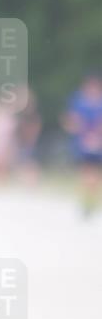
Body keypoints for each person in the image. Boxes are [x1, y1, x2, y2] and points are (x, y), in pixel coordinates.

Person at [62, 72, 102, 216]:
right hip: (82, 142)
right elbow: (71, 120)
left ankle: (90, 201)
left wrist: (96, 136)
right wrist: (80, 131)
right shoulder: (78, 100)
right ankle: (87, 202)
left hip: (98, 142)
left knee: (94, 174)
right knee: (86, 173)